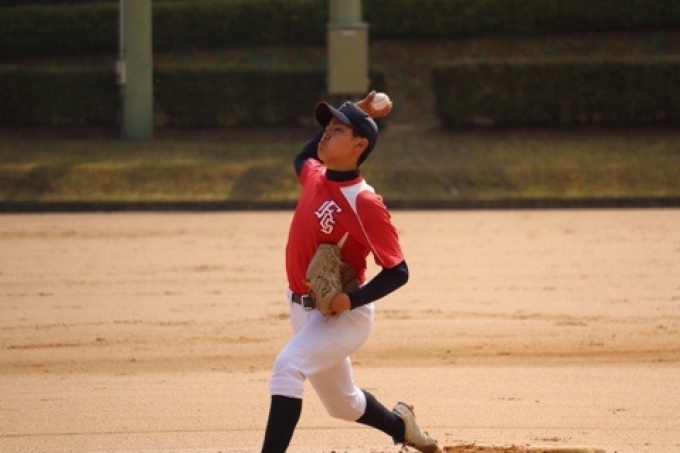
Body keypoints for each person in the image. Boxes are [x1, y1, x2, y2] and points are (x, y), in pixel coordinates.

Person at [259, 91, 441, 453]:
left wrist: (351, 299)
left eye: (338, 129)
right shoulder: (316, 175)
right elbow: (302, 156)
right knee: (342, 404)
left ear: (360, 145)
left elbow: (398, 270)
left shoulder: (364, 202)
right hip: (303, 308)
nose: (327, 133)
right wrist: (357, 109)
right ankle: (402, 426)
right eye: (328, 127)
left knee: (288, 367)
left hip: (344, 316)